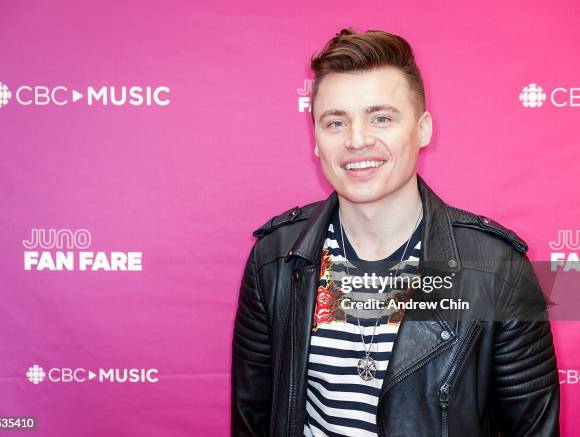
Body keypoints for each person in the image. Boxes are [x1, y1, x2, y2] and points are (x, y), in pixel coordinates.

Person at [231, 27, 559, 437]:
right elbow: (252, 419)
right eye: (335, 122)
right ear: (315, 139)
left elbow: (532, 430)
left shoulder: (500, 269)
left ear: (422, 129)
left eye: (381, 118)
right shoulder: (275, 258)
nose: (357, 140)